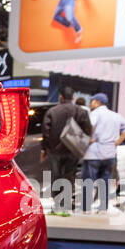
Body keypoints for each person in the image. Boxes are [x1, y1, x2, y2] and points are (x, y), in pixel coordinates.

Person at [40, 87, 91, 215]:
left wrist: (44, 149)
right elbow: (87, 131)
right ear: (73, 97)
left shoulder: (52, 111)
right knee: (69, 176)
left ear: (61, 97)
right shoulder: (81, 112)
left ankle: (58, 205)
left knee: (56, 176)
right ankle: (66, 204)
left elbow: (45, 132)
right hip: (72, 150)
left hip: (55, 150)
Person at [80, 93, 125, 214]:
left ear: (96, 102)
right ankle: (103, 207)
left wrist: (89, 137)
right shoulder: (116, 115)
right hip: (110, 153)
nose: (90, 104)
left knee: (88, 180)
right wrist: (117, 141)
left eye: (92, 101)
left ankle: (86, 208)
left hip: (94, 153)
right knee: (105, 180)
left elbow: (90, 126)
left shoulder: (95, 113)